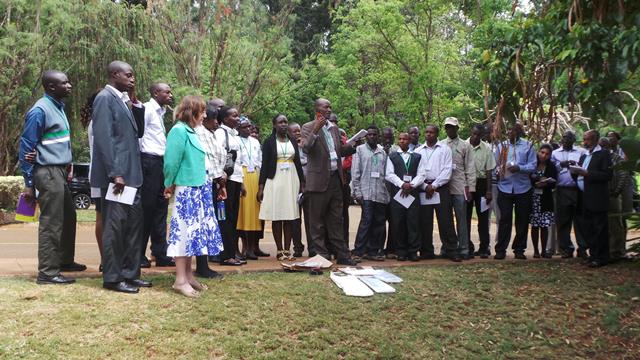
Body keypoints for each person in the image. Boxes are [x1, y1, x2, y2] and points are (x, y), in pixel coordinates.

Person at [19, 70, 85, 285]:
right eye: (64, 83)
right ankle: (47, 272)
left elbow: (57, 142)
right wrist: (29, 184)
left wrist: (68, 165)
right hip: (46, 172)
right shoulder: (40, 110)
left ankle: (64, 261)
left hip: (59, 170)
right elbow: (27, 146)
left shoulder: (58, 106)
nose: (69, 86)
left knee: (68, 216)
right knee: (52, 221)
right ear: (51, 87)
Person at [91, 61, 149, 293]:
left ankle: (130, 273)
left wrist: (134, 102)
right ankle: (113, 278)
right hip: (118, 178)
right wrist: (115, 173)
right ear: (115, 74)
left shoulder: (123, 100)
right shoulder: (105, 98)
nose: (133, 79)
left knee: (134, 226)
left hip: (133, 176)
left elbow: (138, 132)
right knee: (114, 228)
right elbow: (104, 138)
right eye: (129, 75)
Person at [163, 95, 223, 297]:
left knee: (193, 234)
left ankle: (188, 275)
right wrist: (168, 184)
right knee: (183, 233)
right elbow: (171, 162)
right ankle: (179, 280)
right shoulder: (179, 131)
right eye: (203, 111)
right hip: (187, 189)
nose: (205, 115)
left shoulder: (193, 131)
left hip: (200, 189)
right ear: (192, 111)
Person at [300, 98, 357, 265]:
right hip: (318, 181)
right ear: (317, 110)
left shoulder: (334, 129)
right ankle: (321, 256)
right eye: (326, 107)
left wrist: (353, 145)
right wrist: (316, 130)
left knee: (336, 220)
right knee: (316, 221)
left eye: (330, 106)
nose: (329, 109)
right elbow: (306, 148)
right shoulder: (307, 127)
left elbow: (338, 151)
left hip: (335, 180)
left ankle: (343, 255)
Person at [258, 114, 305, 260]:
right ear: (274, 125)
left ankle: (287, 249)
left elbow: (297, 162)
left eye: (285, 122)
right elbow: (264, 165)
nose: (284, 124)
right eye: (280, 122)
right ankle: (279, 250)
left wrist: (302, 183)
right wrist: (261, 187)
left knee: (290, 215)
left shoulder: (292, 141)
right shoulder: (269, 142)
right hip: (275, 179)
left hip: (291, 178)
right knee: (277, 215)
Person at [138, 82, 175, 268]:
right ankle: (138, 255)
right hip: (148, 162)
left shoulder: (161, 112)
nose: (170, 94)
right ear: (155, 92)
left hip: (160, 163)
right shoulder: (146, 109)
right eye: (166, 92)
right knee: (147, 210)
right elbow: (139, 136)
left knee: (161, 208)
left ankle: (160, 253)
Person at [193, 101, 227, 279]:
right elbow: (207, 158)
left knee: (208, 223)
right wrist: (219, 177)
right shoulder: (198, 133)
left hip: (213, 182)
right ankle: (201, 265)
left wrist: (221, 180)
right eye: (213, 119)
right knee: (202, 223)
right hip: (204, 182)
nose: (215, 123)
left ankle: (203, 265)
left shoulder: (209, 133)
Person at [415, 125, 458, 261]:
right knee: (425, 221)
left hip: (440, 187)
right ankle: (426, 251)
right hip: (423, 187)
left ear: (437, 134)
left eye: (431, 132)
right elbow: (415, 172)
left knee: (445, 220)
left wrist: (434, 185)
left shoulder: (445, 149)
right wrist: (424, 186)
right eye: (426, 132)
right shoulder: (418, 151)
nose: (428, 134)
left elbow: (447, 171)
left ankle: (451, 250)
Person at [493, 122, 536, 260]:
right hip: (504, 187)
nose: (509, 132)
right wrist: (499, 170)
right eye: (508, 130)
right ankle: (500, 250)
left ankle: (519, 249)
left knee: (522, 220)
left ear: (518, 131)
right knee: (504, 219)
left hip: (523, 188)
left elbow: (533, 165)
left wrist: (519, 168)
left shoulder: (528, 146)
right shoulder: (501, 146)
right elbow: (495, 166)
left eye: (512, 129)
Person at [572, 130, 612, 267]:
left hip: (597, 197)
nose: (585, 142)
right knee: (588, 228)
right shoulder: (585, 156)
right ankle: (593, 255)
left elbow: (607, 175)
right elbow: (580, 175)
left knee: (599, 228)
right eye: (584, 139)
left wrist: (587, 173)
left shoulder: (603, 154)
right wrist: (575, 171)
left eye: (588, 139)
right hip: (584, 197)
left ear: (596, 139)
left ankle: (602, 257)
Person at [385, 133, 427, 261]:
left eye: (405, 139)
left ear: (409, 141)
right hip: (398, 194)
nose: (402, 141)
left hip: (412, 194)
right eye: (400, 139)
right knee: (398, 222)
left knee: (413, 222)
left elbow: (422, 174)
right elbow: (389, 174)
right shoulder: (392, 157)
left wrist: (411, 185)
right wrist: (402, 184)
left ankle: (413, 251)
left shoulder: (417, 157)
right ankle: (401, 251)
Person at [351, 125, 390, 261]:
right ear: (366, 137)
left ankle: (373, 251)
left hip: (380, 192)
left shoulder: (382, 152)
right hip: (366, 192)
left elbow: (385, 173)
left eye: (375, 135)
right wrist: (357, 192)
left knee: (379, 222)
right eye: (370, 135)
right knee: (366, 221)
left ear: (378, 136)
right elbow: (355, 172)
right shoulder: (359, 150)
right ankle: (358, 250)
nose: (372, 137)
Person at [214, 106, 245, 266]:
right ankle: (225, 255)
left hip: (237, 180)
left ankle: (232, 252)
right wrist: (221, 179)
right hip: (226, 181)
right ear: (225, 119)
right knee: (225, 217)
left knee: (233, 217)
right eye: (234, 115)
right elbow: (218, 155)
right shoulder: (221, 133)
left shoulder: (234, 135)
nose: (238, 118)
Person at [441, 117, 476, 259]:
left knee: (462, 219)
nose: (450, 129)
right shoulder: (441, 145)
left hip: (460, 186)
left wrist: (471, 188)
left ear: (457, 128)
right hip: (444, 187)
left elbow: (470, 167)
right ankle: (447, 248)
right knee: (445, 219)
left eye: (452, 127)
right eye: (447, 127)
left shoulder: (465, 145)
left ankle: (464, 249)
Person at [550, 131, 587, 258]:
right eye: (564, 137)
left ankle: (582, 248)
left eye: (569, 138)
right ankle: (566, 248)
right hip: (562, 189)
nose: (565, 140)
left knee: (580, 220)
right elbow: (552, 169)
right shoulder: (555, 153)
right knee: (563, 220)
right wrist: (562, 164)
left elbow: (585, 167)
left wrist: (575, 165)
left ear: (574, 140)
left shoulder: (581, 152)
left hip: (578, 190)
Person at [466, 124, 496, 258]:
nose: (475, 137)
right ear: (470, 133)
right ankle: (467, 246)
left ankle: (484, 248)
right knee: (465, 216)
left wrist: (489, 190)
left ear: (483, 135)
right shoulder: (463, 146)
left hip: (482, 184)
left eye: (479, 135)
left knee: (483, 218)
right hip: (466, 184)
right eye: (474, 134)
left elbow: (489, 170)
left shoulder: (487, 148)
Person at [599, 137, 631, 262]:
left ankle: (617, 251)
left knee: (615, 224)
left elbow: (623, 176)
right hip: (601, 196)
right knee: (604, 224)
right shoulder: (599, 157)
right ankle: (607, 251)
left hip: (613, 196)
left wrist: (616, 191)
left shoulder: (617, 158)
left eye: (602, 146)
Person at [237, 117, 263, 260]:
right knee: (243, 213)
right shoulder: (236, 140)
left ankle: (252, 248)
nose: (247, 129)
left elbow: (259, 160)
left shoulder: (255, 142)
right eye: (244, 127)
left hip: (254, 175)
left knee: (254, 213)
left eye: (249, 127)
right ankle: (243, 247)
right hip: (242, 174)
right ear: (239, 128)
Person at [529, 144, 558, 258]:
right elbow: (528, 177)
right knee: (535, 226)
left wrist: (546, 183)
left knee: (544, 225)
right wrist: (536, 181)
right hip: (533, 198)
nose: (544, 155)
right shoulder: (532, 164)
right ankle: (536, 250)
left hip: (545, 198)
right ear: (538, 152)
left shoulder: (551, 166)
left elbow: (554, 182)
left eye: (547, 154)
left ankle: (544, 250)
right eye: (542, 152)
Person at [288, 122, 309, 257]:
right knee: (295, 219)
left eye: (299, 131)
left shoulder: (306, 145)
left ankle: (313, 246)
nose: (297, 133)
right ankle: (297, 247)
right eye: (294, 131)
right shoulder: (288, 148)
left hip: (309, 185)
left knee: (310, 217)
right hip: (293, 186)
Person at [381, 127, 398, 258]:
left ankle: (392, 248)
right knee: (380, 222)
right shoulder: (377, 150)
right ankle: (378, 248)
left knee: (394, 221)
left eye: (390, 137)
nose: (387, 140)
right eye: (385, 137)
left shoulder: (397, 150)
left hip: (394, 192)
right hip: (380, 191)